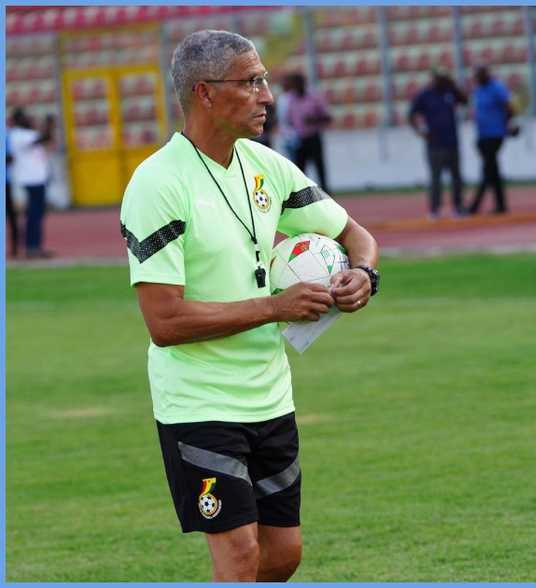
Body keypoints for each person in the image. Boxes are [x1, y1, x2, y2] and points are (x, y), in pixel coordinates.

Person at [119, 30, 380, 582]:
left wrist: (363, 274)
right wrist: (275, 307)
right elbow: (164, 322)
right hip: (199, 403)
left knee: (282, 556)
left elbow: (356, 234)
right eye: (251, 82)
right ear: (205, 93)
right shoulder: (158, 184)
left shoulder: (267, 166)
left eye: (264, 81)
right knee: (238, 557)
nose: (267, 95)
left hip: (270, 395)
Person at [409, 68, 467, 220]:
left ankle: (458, 207)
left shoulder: (450, 91)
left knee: (456, 177)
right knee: (436, 178)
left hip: (452, 141)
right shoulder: (425, 94)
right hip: (434, 143)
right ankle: (435, 210)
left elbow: (465, 100)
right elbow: (412, 114)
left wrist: (454, 85)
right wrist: (420, 131)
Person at [467, 65, 517, 215]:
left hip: (495, 134)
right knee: (493, 171)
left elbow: (509, 107)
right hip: (482, 135)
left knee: (487, 170)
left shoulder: (496, 88)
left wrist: (507, 124)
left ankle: (474, 207)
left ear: (485, 74)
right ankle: (501, 205)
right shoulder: (478, 90)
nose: (477, 78)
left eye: (479, 75)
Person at [8, 108, 54, 258]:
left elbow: (44, 139)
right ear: (16, 120)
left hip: (37, 178)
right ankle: (31, 247)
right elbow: (42, 138)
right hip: (30, 179)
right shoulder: (17, 134)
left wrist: (48, 128)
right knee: (34, 214)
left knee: (36, 214)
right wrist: (48, 125)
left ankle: (34, 246)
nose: (27, 119)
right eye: (23, 117)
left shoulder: (26, 133)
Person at [282, 72, 332, 194]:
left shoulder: (314, 97)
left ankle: (326, 194)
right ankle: (303, 196)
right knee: (300, 170)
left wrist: (313, 120)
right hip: (299, 139)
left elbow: (327, 117)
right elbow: (288, 119)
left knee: (319, 167)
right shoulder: (290, 99)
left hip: (313, 137)